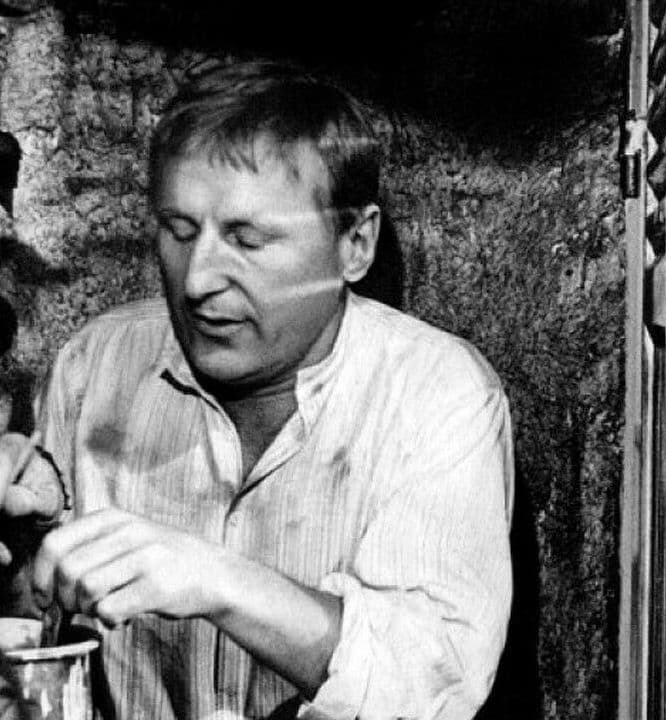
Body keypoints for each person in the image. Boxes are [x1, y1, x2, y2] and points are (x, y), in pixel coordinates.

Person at [0, 61, 514, 719]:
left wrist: (218, 579)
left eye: (248, 239)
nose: (198, 281)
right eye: (179, 231)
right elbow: (33, 651)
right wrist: (23, 553)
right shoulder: (93, 365)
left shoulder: (437, 395)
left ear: (354, 244)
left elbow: (432, 679)